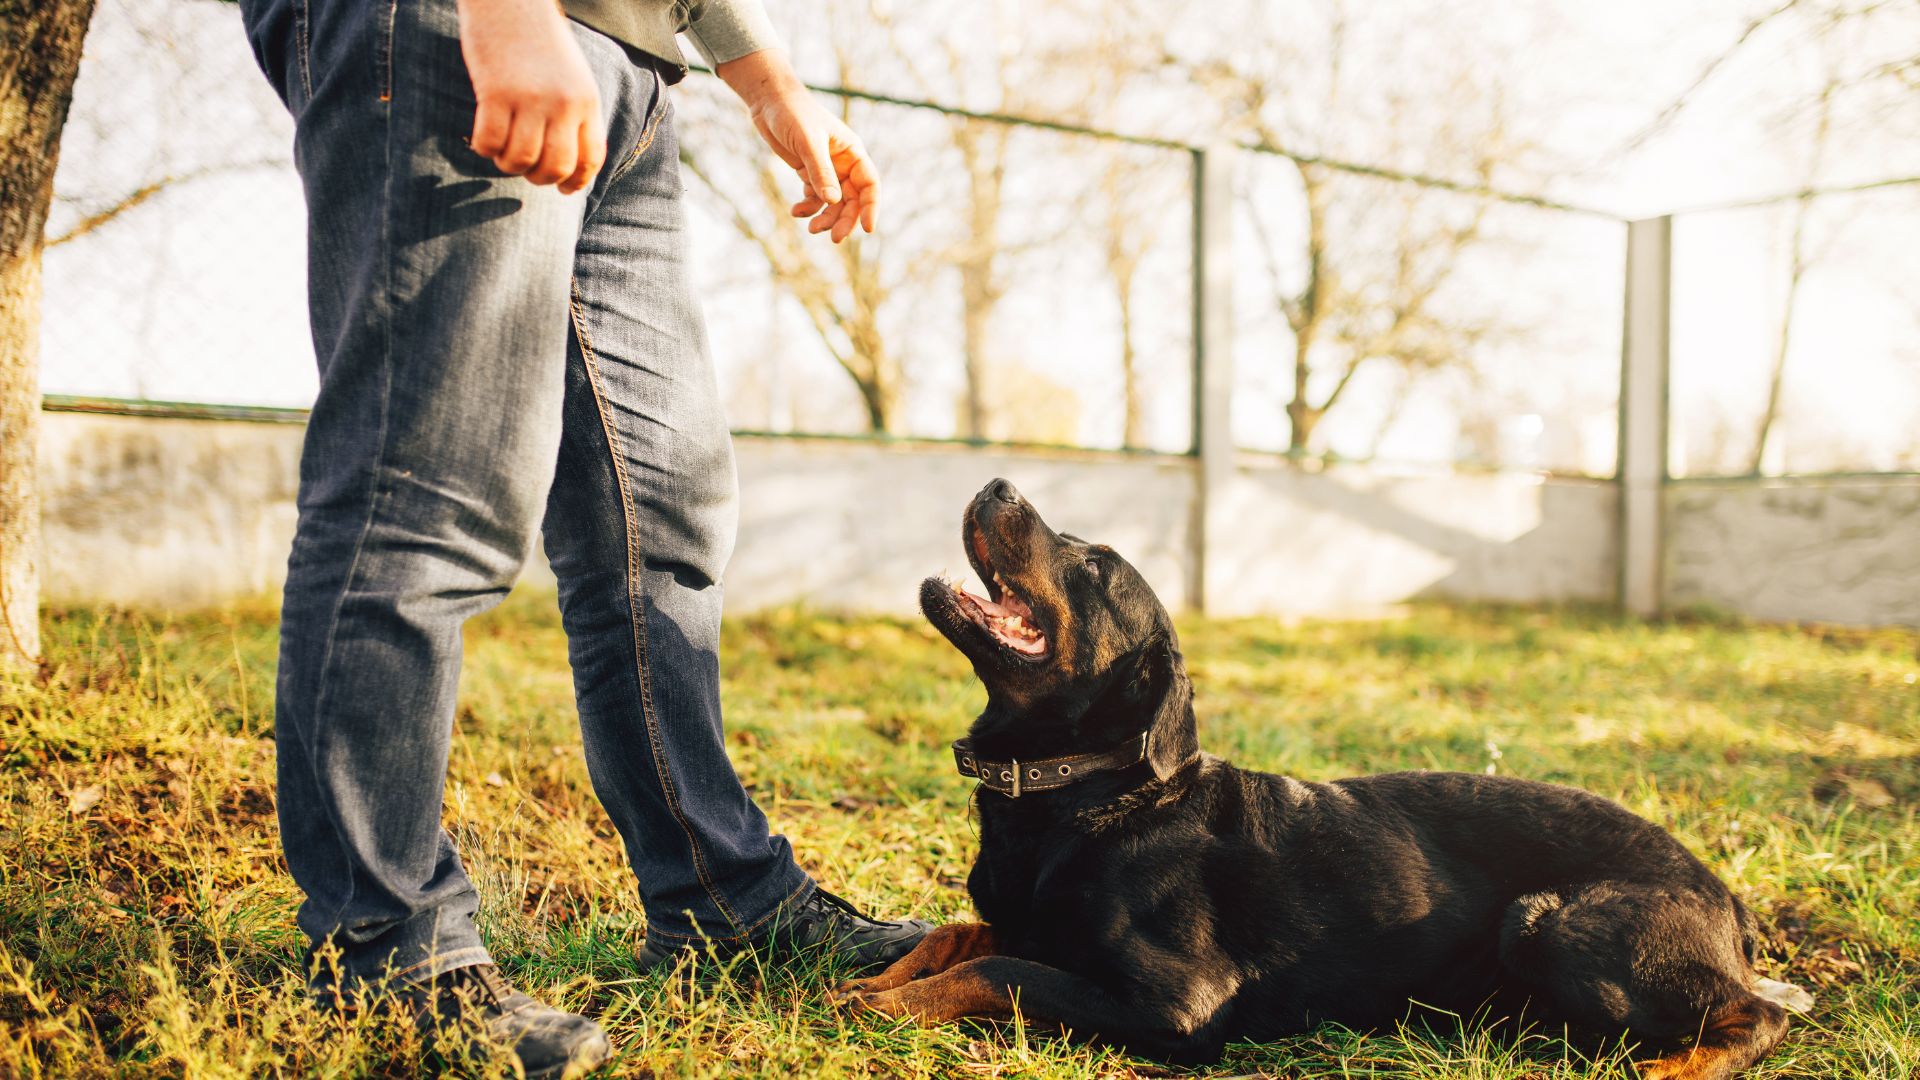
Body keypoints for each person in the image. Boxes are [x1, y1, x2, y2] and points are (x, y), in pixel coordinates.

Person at [233, 0, 931, 1073]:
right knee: (428, 498)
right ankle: (384, 955)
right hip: (459, 25)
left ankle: (720, 897)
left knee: (660, 513)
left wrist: (764, 76)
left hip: (634, 66)